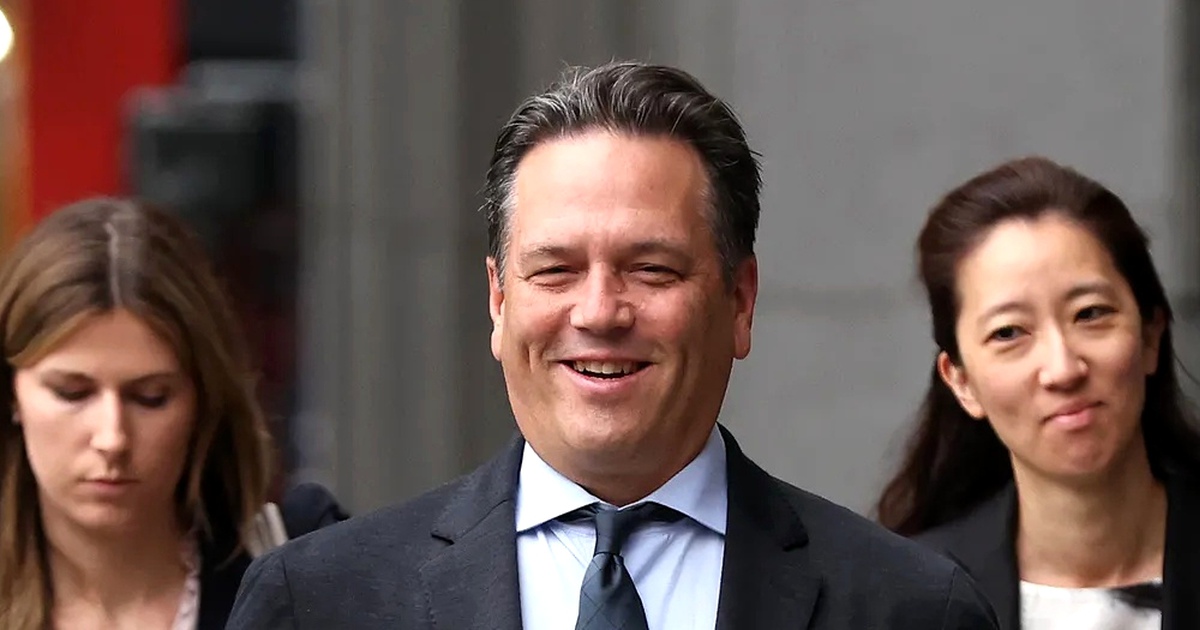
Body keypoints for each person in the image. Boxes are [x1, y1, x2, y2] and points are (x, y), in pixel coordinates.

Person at [227, 60, 997, 629]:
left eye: (652, 269)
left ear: (740, 301)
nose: (599, 312)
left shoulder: (911, 609)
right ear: (498, 300)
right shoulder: (318, 603)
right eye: (555, 270)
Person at [875, 156, 1200, 629]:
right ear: (961, 381)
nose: (1062, 369)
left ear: (1151, 335)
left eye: (1090, 313)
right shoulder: (908, 598)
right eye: (1008, 333)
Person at [0, 197, 347, 629]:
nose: (112, 437)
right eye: (73, 393)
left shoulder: (305, 567)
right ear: (12, 393)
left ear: (203, 398)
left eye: (151, 397)